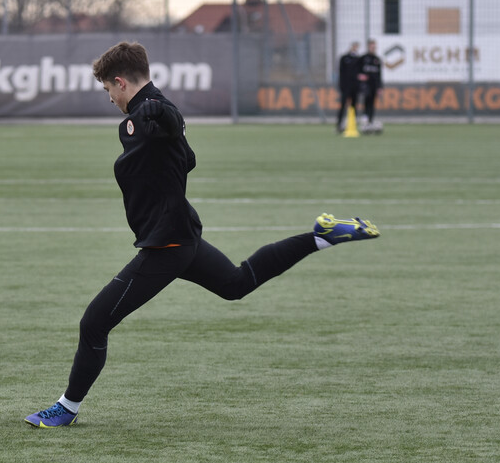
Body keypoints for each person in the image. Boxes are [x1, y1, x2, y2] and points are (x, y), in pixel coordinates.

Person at [24, 41, 381, 428]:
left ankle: (66, 408)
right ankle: (322, 235)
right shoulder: (146, 115)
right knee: (237, 283)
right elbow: (186, 155)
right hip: (182, 234)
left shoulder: (147, 112)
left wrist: (157, 115)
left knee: (94, 322)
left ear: (121, 82)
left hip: (167, 244)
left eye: (108, 89)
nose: (109, 98)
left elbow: (170, 123)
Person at [357, 39, 383, 132]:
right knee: (367, 99)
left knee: (372, 102)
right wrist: (359, 76)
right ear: (368, 47)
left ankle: (370, 120)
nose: (373, 48)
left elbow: (379, 75)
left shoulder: (377, 59)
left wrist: (380, 87)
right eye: (372, 46)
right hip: (365, 84)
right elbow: (357, 71)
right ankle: (365, 118)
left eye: (374, 46)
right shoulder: (363, 58)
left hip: (374, 85)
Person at [336, 41, 360, 133]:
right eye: (354, 46)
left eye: (356, 47)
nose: (355, 48)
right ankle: (339, 124)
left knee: (354, 106)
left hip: (355, 87)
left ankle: (353, 124)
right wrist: (341, 85)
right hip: (346, 86)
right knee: (342, 105)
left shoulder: (358, 59)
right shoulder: (344, 58)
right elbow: (341, 72)